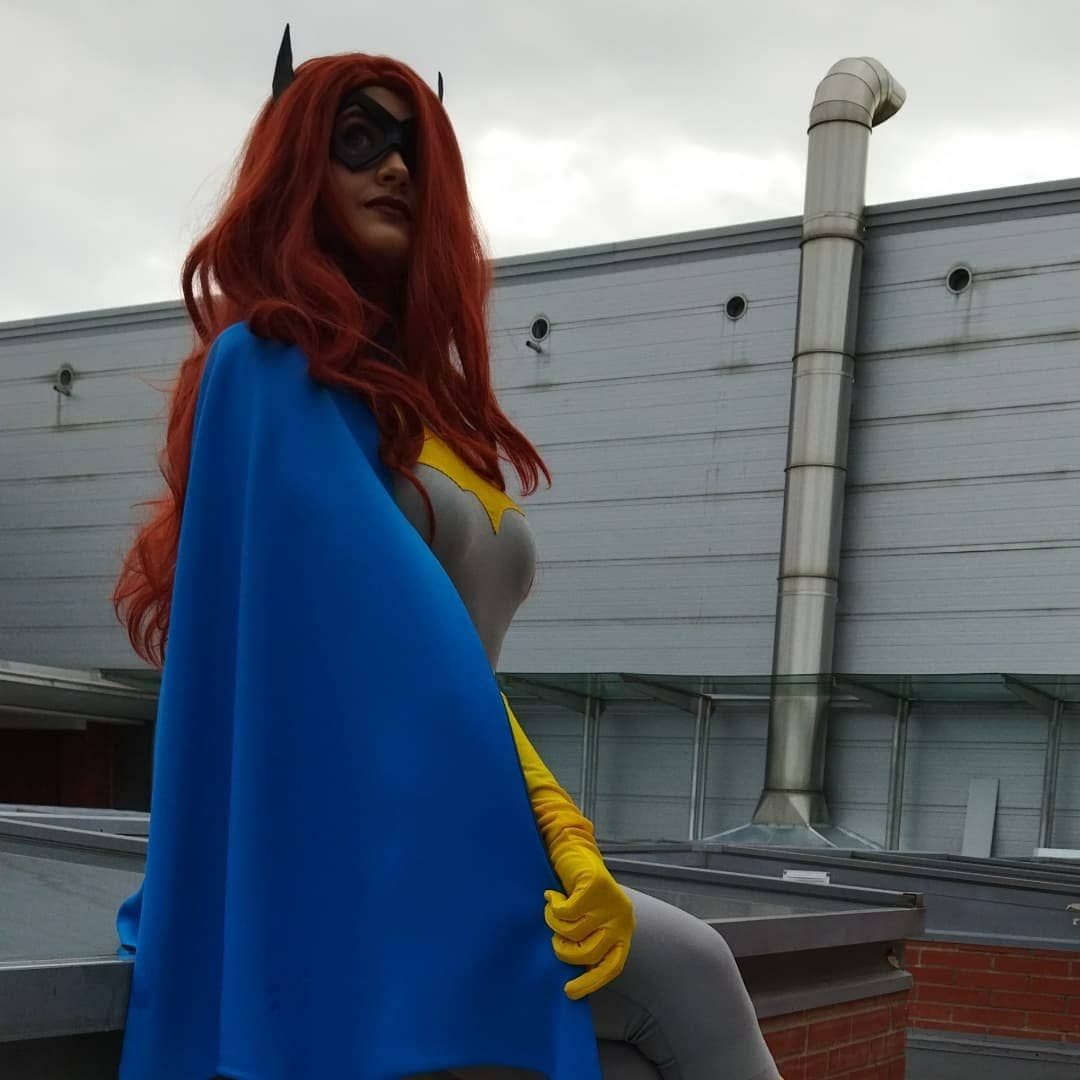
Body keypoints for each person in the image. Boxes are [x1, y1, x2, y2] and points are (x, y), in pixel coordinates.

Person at [110, 25, 781, 1080]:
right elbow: (405, 656)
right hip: (355, 853)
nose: (394, 168)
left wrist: (561, 834)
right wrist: (561, 832)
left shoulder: (434, 418)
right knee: (691, 970)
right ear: (298, 169)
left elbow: (455, 673)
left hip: (450, 822)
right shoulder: (267, 372)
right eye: (358, 139)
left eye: (414, 150)